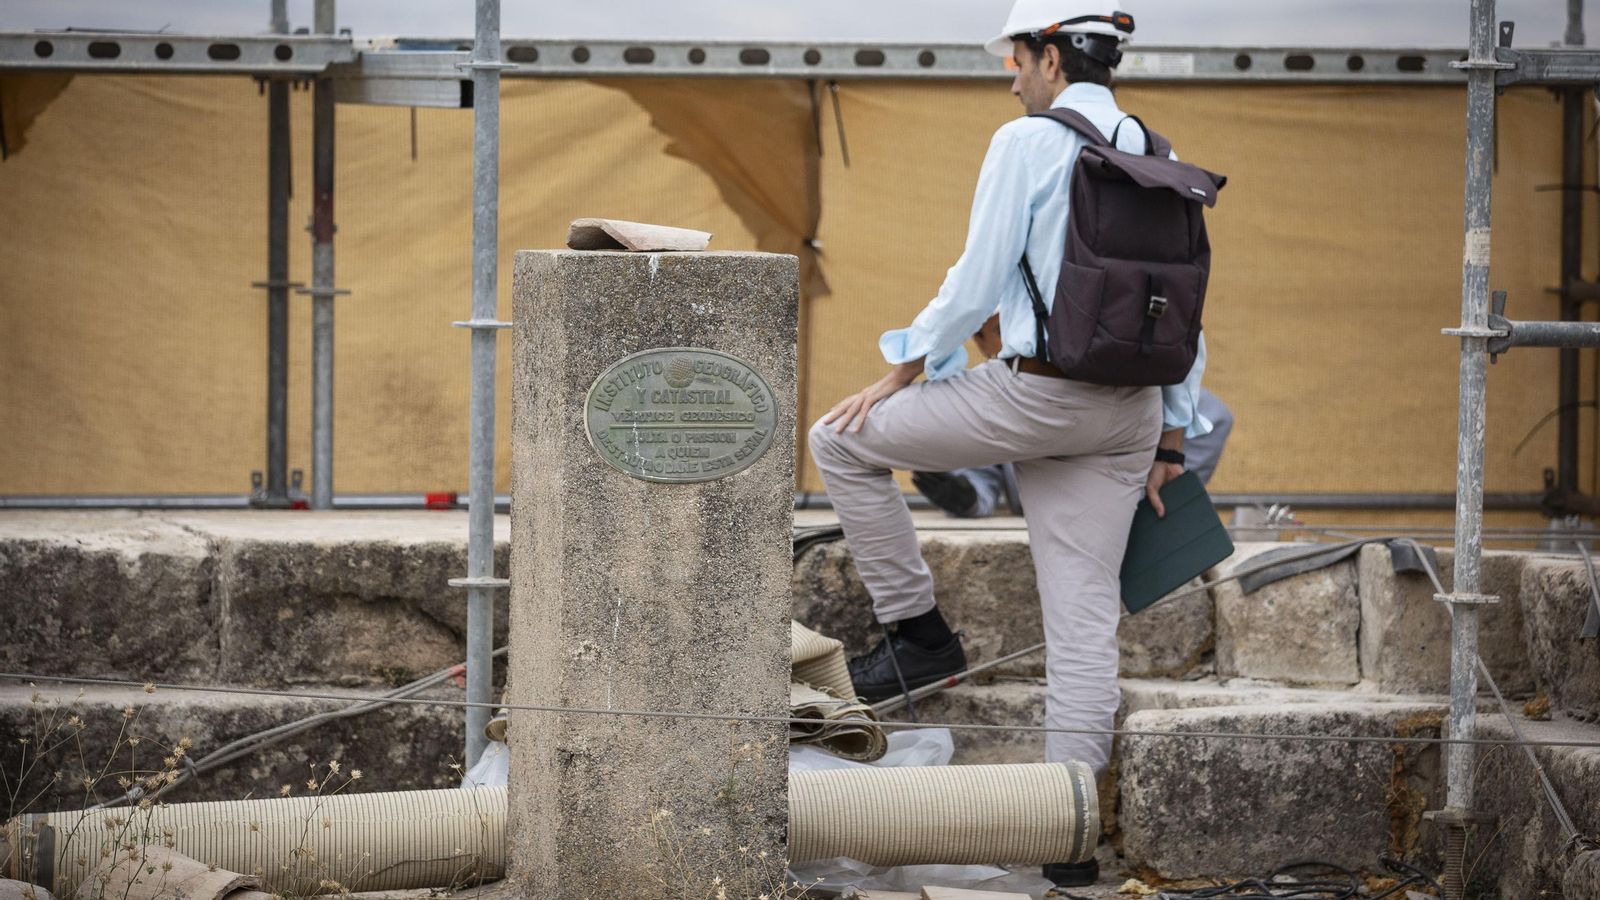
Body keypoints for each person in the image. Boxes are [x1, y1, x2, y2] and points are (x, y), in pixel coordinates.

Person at [806, 0, 1212, 886]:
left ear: (1054, 56)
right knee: (1081, 625)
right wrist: (1172, 440)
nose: (1012, 73)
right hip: (1131, 417)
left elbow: (976, 276)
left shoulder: (1026, 143)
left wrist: (904, 367)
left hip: (1033, 397)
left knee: (838, 442)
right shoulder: (1157, 150)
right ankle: (1065, 843)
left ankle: (917, 634)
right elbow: (1181, 306)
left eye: (1017, 57)